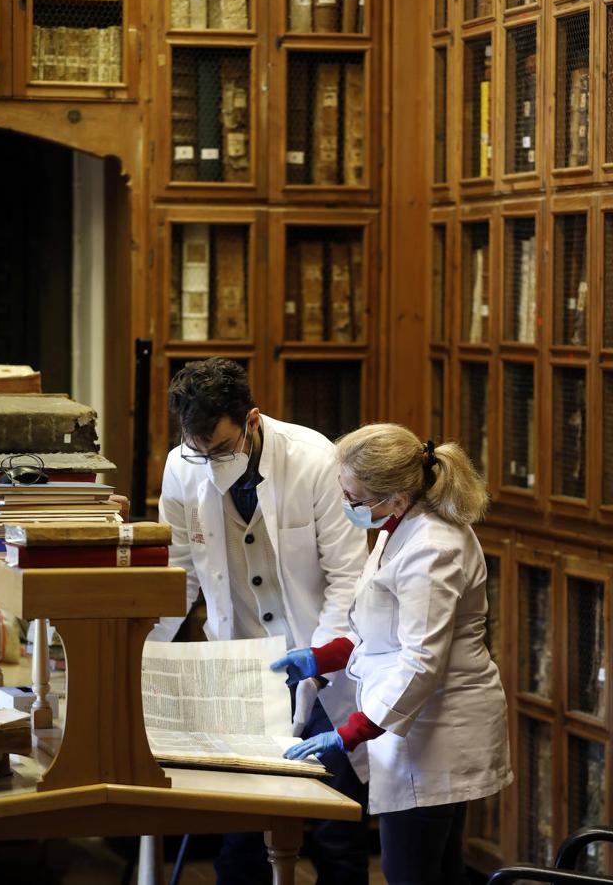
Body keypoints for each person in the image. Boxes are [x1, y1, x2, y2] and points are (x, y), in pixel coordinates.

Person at [154, 357, 370, 885]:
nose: (210, 462)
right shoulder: (181, 466)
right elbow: (177, 575)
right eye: (198, 450)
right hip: (242, 667)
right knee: (240, 833)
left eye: (221, 449)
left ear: (251, 420)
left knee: (335, 832)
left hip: (321, 662)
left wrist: (317, 664)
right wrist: (141, 648)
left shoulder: (315, 460)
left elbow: (347, 578)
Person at [272, 423, 514, 885]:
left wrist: (351, 733)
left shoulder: (433, 548)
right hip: (417, 724)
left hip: (435, 732)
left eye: (354, 499)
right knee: (435, 871)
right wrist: (321, 658)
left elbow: (421, 661)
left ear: (396, 499)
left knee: (411, 873)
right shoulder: (397, 526)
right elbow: (380, 630)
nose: (347, 505)